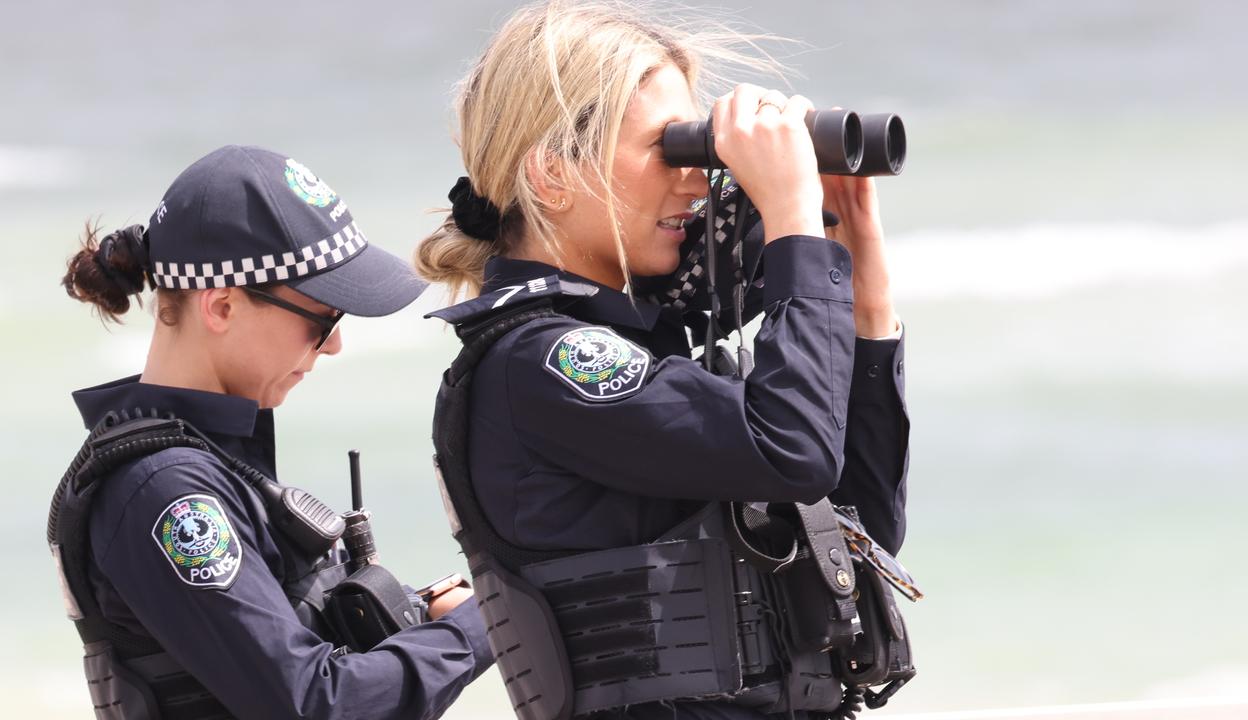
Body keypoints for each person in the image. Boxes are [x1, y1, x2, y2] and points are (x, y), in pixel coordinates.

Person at [418, 2, 909, 718]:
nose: (693, 180)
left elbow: (862, 530)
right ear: (553, 174)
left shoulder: (654, 350)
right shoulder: (543, 363)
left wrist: (862, 285)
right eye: (671, 148)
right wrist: (792, 223)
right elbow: (794, 453)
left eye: (698, 150)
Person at [53, 145, 493, 719]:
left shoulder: (208, 466)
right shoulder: (167, 493)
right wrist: (480, 622)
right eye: (323, 316)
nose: (334, 344)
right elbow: (316, 704)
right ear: (222, 306)